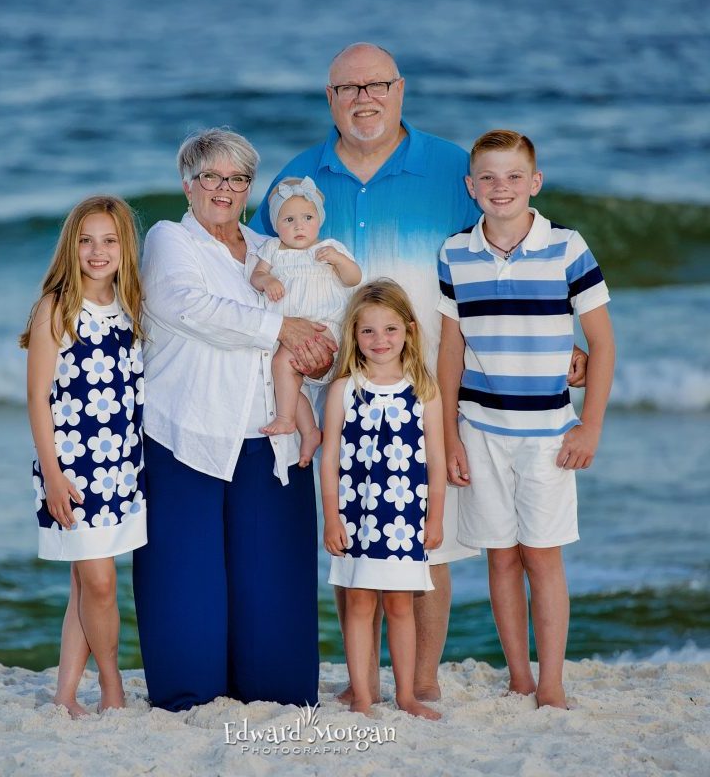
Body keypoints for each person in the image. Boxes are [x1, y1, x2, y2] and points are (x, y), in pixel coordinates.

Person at [251, 41, 588, 703]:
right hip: (336, 392)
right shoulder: (298, 176)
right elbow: (260, 268)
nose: (362, 99)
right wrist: (283, 337)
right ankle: (363, 683)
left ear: (400, 89)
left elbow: (504, 257)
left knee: (427, 552)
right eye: (347, 89)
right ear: (330, 99)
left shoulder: (451, 169)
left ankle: (422, 678)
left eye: (375, 85)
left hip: (430, 392)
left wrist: (561, 343)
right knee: (351, 546)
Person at [133, 128, 330, 712]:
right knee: (186, 585)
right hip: (186, 435)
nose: (224, 189)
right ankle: (189, 697)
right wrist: (280, 329)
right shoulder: (172, 240)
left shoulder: (268, 247)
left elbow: (311, 319)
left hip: (270, 438)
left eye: (237, 178)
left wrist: (315, 362)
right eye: (211, 177)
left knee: (274, 589)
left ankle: (273, 694)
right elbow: (187, 307)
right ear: (187, 184)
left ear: (249, 188)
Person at [438, 130, 615, 708]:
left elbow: (603, 344)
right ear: (471, 187)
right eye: (487, 177)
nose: (501, 187)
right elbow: (449, 352)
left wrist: (589, 425)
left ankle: (553, 683)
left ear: (534, 182)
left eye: (514, 176)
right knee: (500, 555)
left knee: (542, 555)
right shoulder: (454, 253)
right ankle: (519, 675)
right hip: (479, 429)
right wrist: (448, 438)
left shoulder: (566, 247)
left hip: (548, 435)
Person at [20, 195, 147, 716]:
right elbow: (37, 398)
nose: (98, 251)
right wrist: (52, 475)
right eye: (86, 240)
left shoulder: (132, 306)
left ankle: (66, 692)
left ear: (124, 248)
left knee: (83, 584)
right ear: (71, 246)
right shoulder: (57, 307)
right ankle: (111, 684)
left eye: (110, 240)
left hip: (123, 468)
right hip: (72, 469)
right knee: (99, 581)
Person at [321, 280, 445, 720]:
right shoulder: (343, 390)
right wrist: (331, 518)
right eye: (368, 331)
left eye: (390, 330)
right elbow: (330, 458)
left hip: (405, 516)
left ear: (409, 330)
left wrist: (435, 519)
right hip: (356, 516)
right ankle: (362, 694)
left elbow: (436, 462)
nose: (380, 341)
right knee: (358, 602)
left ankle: (407, 695)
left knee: (399, 604)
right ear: (354, 334)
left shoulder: (423, 390)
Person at [250, 176, 361, 464]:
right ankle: (309, 431)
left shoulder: (328, 248)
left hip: (325, 327)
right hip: (287, 333)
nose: (299, 225)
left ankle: (286, 419)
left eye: (307, 217)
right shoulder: (273, 250)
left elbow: (354, 279)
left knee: (281, 366)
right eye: (288, 219)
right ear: (276, 225)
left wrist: (338, 260)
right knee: (282, 377)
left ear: (319, 221)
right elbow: (256, 275)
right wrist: (267, 279)